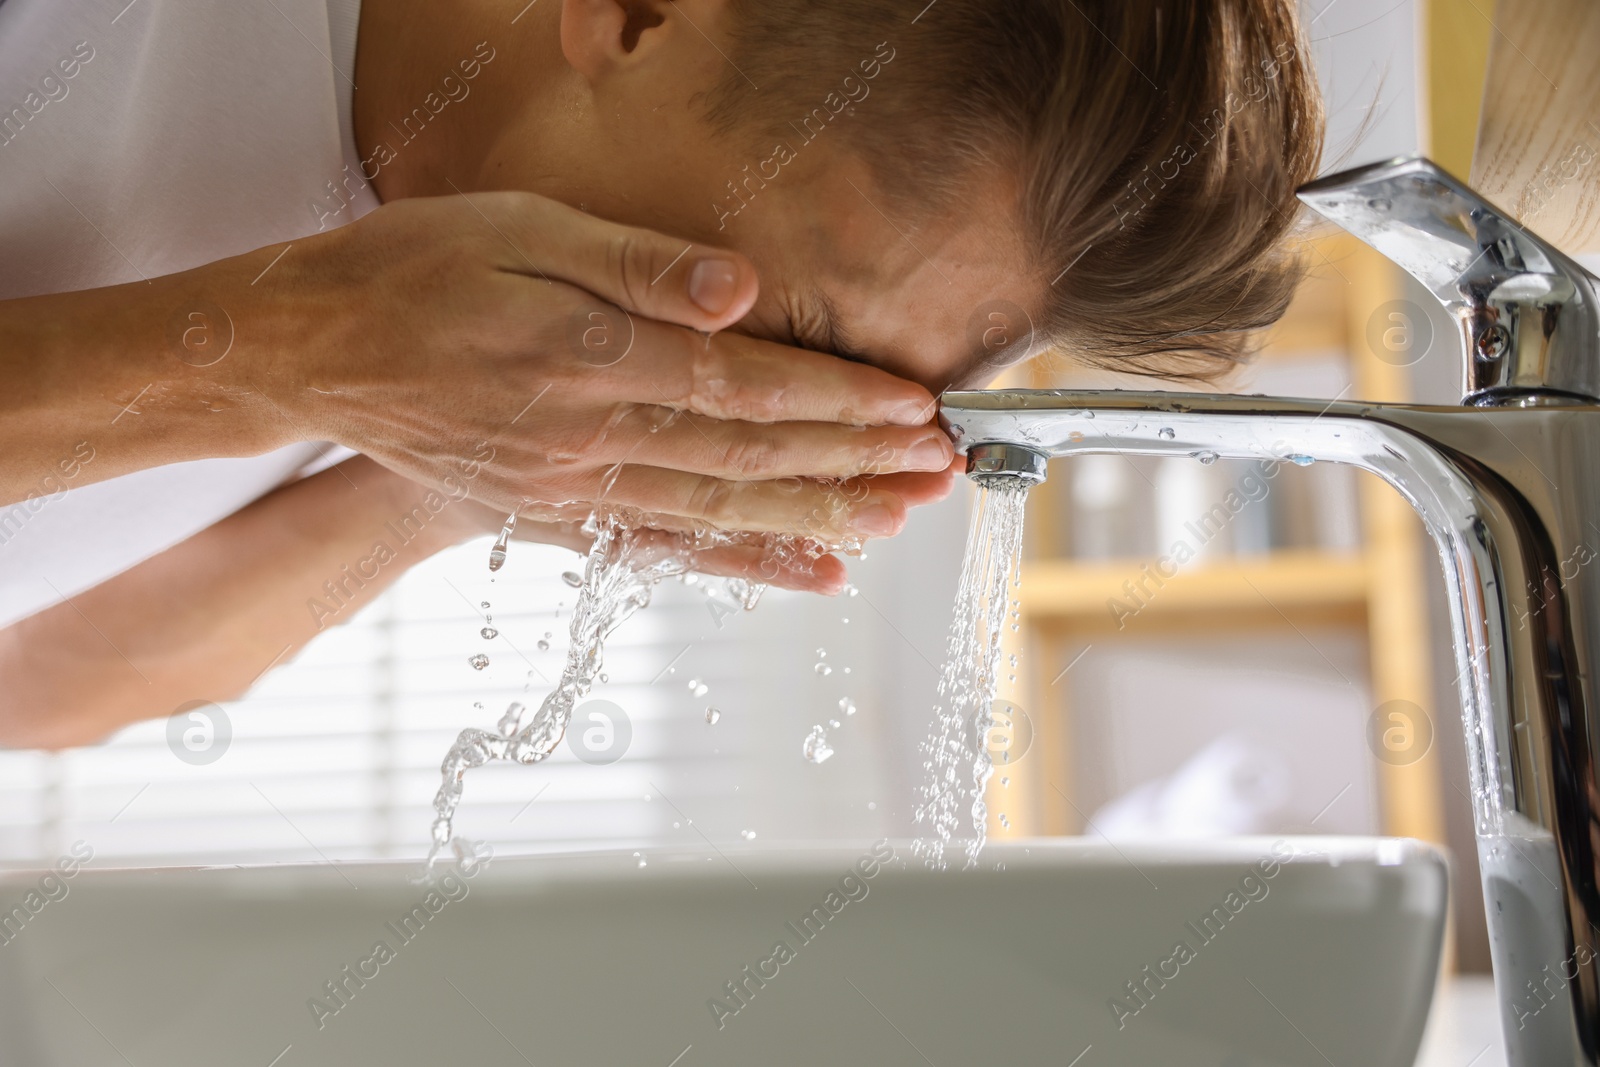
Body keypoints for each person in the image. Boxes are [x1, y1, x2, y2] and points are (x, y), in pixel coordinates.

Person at [0, 0, 1323, 748]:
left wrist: (449, 494)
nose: (731, 399)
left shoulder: (443, 307)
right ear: (634, 18)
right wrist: (292, 352)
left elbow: (33, 681)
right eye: (790, 330)